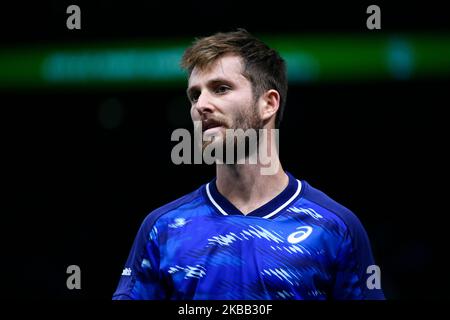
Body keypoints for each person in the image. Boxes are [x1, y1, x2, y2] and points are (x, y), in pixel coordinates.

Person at [112, 29, 385, 300]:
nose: (201, 105)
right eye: (195, 95)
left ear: (268, 103)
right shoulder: (163, 229)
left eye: (221, 88)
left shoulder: (335, 228)